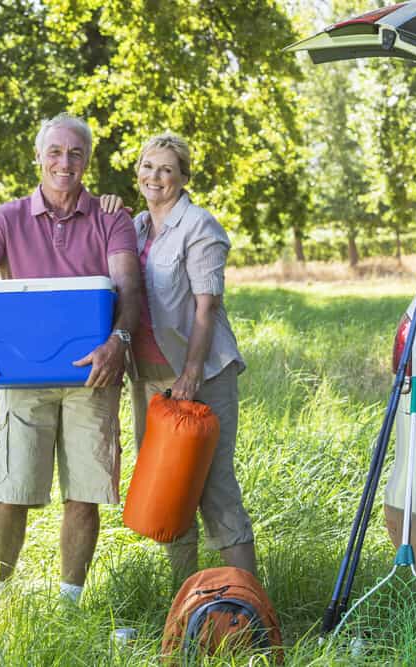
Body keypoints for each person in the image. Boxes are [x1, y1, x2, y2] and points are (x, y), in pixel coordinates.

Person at [0, 112, 140, 604]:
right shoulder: (7, 218)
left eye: (75, 153)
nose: (64, 162)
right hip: (21, 377)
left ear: (87, 161)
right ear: (38, 157)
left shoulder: (110, 216)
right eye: (54, 152)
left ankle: (69, 604)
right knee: (11, 491)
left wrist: (117, 341)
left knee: (85, 494)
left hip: (93, 376)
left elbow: (131, 289)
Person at [102, 132, 256, 582]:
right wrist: (106, 205)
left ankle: (251, 606)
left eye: (167, 169)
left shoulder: (200, 227)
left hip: (201, 375)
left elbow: (206, 307)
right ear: (138, 173)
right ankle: (184, 603)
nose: (156, 177)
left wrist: (190, 373)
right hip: (147, 377)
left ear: (183, 177)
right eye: (148, 167)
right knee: (170, 488)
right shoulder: (132, 226)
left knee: (215, 489)